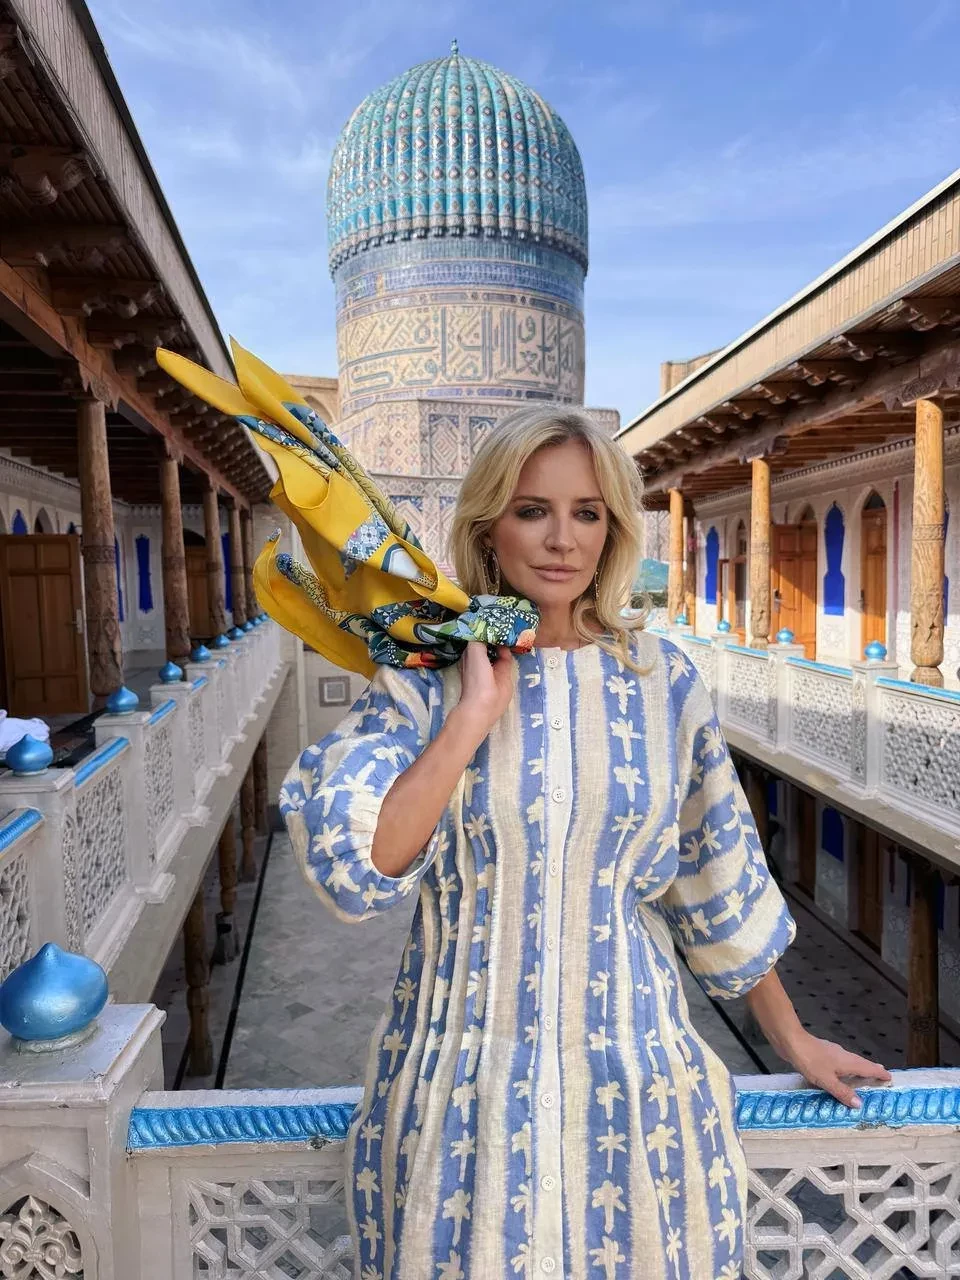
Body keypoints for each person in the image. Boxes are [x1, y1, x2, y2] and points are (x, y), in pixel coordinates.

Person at [280, 406, 890, 1280]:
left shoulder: (661, 679)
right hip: (460, 1094)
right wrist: (472, 716)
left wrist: (793, 1041)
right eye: (533, 510)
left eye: (587, 513)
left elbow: (714, 879)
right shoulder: (423, 681)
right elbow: (360, 869)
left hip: (637, 1087)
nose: (562, 539)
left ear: (612, 531)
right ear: (488, 526)